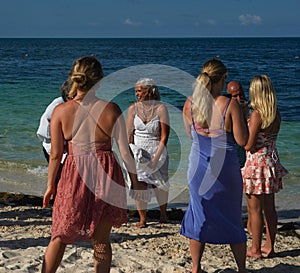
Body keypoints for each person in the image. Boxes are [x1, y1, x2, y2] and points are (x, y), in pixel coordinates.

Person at [42, 56, 142, 273]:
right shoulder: (112, 109)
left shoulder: (61, 111)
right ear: (100, 80)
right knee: (102, 241)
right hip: (106, 173)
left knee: (59, 235)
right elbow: (125, 152)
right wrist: (135, 183)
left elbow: (56, 154)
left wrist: (50, 185)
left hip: (74, 173)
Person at [180, 59, 249, 273]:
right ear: (223, 78)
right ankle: (241, 269)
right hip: (225, 171)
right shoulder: (229, 105)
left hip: (198, 169)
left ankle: (196, 267)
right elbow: (242, 140)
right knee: (232, 216)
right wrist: (244, 116)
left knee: (198, 215)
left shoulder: (191, 103)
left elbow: (191, 134)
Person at [241, 75, 288, 259]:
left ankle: (255, 249)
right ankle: (270, 246)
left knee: (254, 209)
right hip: (271, 162)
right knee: (270, 208)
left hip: (256, 164)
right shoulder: (276, 113)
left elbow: (249, 145)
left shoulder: (257, 114)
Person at [126, 78, 170, 228]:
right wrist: (131, 153)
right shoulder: (133, 109)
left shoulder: (161, 109)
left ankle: (163, 214)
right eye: (136, 91)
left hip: (157, 148)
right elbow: (129, 135)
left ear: (150, 90)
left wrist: (156, 158)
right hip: (139, 150)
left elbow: (165, 136)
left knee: (160, 184)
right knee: (139, 184)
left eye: (140, 91)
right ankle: (142, 218)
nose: (137, 94)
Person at [37, 79, 71, 192]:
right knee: (59, 177)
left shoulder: (69, 106)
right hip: (50, 146)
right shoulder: (57, 106)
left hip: (63, 147)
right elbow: (44, 132)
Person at [226, 80, 249, 168]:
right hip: (232, 159)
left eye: (241, 94)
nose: (239, 99)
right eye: (235, 96)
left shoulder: (251, 108)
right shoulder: (226, 111)